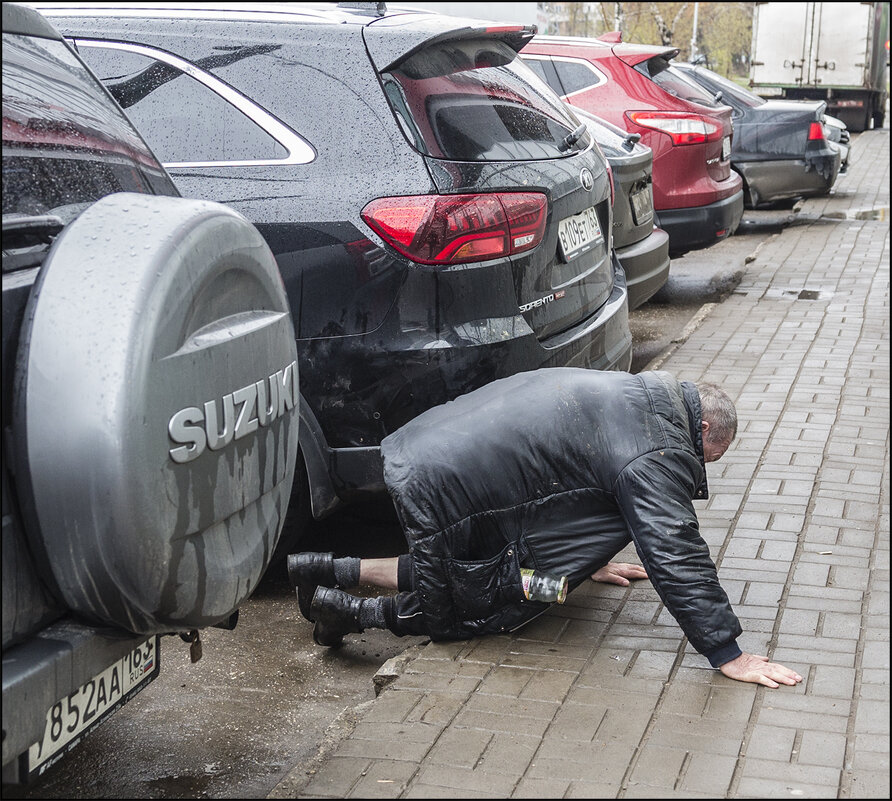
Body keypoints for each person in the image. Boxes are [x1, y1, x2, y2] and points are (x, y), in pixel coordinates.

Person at [289, 368, 803, 689]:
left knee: (472, 576)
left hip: (440, 448)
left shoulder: (643, 397)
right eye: (713, 454)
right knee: (472, 599)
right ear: (705, 428)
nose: (706, 465)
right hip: (452, 482)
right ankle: (344, 611)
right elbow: (675, 551)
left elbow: (576, 481)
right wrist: (726, 651)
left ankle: (318, 570)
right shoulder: (658, 449)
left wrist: (592, 558)